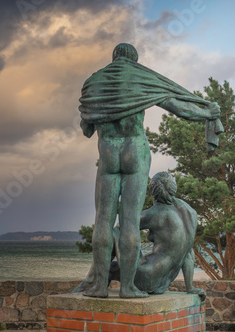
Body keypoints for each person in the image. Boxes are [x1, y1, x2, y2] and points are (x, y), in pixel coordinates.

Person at [78, 43, 221, 298]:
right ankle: (128, 287)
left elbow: (87, 129)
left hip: (108, 152)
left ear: (113, 58)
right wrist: (207, 112)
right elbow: (178, 107)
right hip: (135, 151)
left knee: (103, 220)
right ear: (134, 59)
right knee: (130, 221)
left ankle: (99, 286)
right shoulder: (141, 80)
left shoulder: (94, 83)